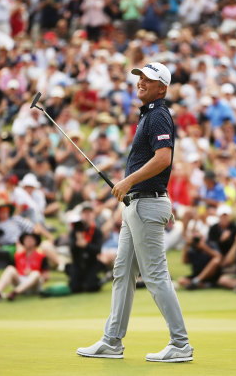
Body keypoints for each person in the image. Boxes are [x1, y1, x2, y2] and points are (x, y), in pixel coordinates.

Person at [77, 62, 193, 362]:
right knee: (122, 273)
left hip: (144, 204)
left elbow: (164, 158)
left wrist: (128, 181)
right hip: (138, 204)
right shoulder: (148, 115)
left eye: (149, 78)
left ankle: (180, 344)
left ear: (162, 88)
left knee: (155, 275)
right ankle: (112, 341)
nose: (141, 81)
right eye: (140, 77)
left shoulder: (158, 115)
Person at [0, 232, 49, 302]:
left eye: (30, 240)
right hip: (20, 281)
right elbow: (12, 274)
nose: (28, 242)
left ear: (36, 242)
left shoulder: (42, 256)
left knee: (35, 273)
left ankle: (15, 292)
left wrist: (31, 274)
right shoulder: (17, 256)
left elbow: (46, 277)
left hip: (34, 285)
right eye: (26, 240)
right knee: (10, 269)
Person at [67, 203, 104, 294]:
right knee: (75, 289)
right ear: (81, 215)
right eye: (84, 213)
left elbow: (98, 250)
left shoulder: (97, 231)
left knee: (92, 287)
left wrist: (86, 246)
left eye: (89, 213)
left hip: (91, 263)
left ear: (93, 215)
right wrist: (77, 243)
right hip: (78, 263)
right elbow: (71, 248)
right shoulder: (75, 230)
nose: (87, 215)